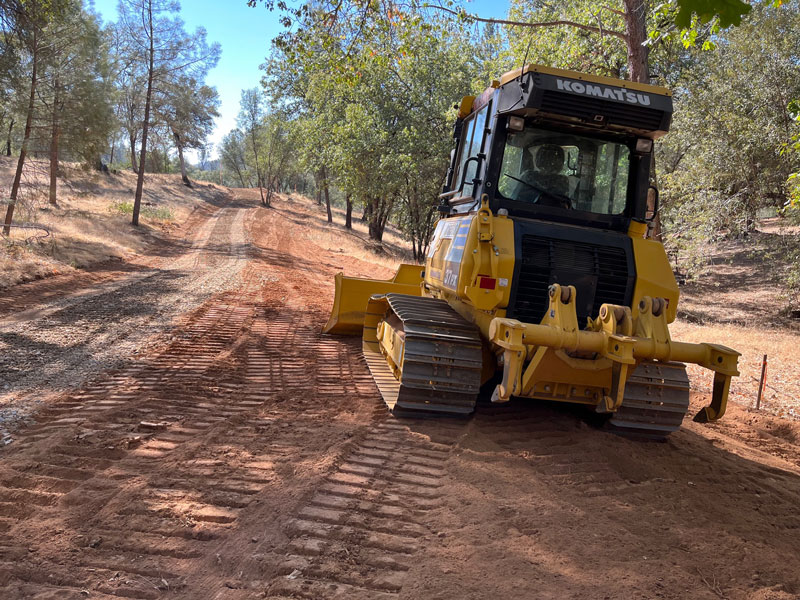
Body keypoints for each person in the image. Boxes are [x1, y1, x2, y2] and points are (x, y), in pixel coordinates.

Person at [513, 144, 571, 208]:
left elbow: (514, 199)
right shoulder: (563, 181)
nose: (549, 163)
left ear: (538, 159)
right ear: (561, 163)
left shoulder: (528, 176)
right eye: (547, 158)